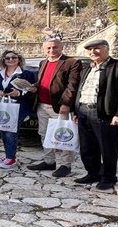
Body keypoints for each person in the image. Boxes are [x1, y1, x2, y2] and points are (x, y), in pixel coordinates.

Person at [71, 40, 118, 190]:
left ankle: (108, 177)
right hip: (83, 111)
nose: (93, 52)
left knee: (107, 148)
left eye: (97, 48)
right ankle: (93, 173)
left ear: (107, 49)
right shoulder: (87, 68)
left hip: (106, 114)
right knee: (87, 146)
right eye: (90, 49)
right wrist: (76, 111)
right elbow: (81, 90)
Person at [27, 38, 82, 177]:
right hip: (42, 105)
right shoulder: (43, 62)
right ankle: (49, 161)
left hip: (60, 107)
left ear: (61, 47)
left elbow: (72, 86)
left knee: (63, 135)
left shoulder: (72, 63)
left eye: (55, 47)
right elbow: (44, 82)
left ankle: (65, 165)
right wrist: (34, 87)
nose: (51, 50)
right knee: (44, 134)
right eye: (48, 48)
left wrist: (66, 103)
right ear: (44, 49)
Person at [0, 50, 36, 169]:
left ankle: (11, 158)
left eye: (14, 57)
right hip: (2, 106)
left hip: (18, 106)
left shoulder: (26, 74)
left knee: (10, 131)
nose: (11, 60)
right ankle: (8, 154)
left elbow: (32, 91)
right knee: (3, 130)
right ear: (3, 60)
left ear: (19, 59)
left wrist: (18, 93)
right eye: (7, 58)